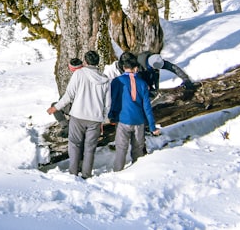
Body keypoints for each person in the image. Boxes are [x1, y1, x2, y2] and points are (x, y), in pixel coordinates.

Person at [47, 50, 111, 178]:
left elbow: (69, 95)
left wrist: (55, 107)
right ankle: (86, 174)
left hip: (78, 116)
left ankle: (73, 173)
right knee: (90, 148)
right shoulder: (105, 79)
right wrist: (102, 120)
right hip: (95, 119)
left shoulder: (79, 74)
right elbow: (107, 104)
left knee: (75, 145)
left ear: (85, 62)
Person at [109, 51, 160, 171]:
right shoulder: (142, 84)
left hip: (122, 120)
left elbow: (113, 101)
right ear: (136, 68)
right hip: (139, 121)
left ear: (123, 67)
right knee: (138, 149)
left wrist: (112, 116)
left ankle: (118, 171)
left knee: (121, 149)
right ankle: (138, 172)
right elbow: (147, 107)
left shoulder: (117, 81)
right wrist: (152, 127)